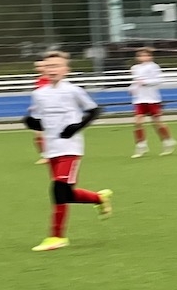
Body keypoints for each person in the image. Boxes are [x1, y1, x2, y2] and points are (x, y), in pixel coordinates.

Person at [23, 52, 113, 252]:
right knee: (66, 193)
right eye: (48, 66)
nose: (52, 69)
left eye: (56, 65)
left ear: (66, 70)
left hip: (70, 148)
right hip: (51, 149)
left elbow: (95, 110)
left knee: (58, 190)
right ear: (43, 70)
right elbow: (38, 119)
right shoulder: (39, 93)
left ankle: (57, 236)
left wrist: (76, 127)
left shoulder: (73, 91)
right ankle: (98, 198)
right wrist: (30, 121)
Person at [129, 48, 176, 158]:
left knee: (157, 123)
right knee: (137, 122)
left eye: (146, 55)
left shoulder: (153, 67)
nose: (143, 57)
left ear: (150, 56)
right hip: (139, 99)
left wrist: (145, 82)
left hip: (152, 99)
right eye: (141, 56)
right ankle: (141, 145)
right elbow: (135, 82)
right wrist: (132, 88)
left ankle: (167, 141)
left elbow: (158, 80)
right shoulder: (135, 68)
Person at [32, 59, 50, 164]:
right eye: (37, 66)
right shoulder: (39, 80)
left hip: (51, 111)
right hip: (40, 111)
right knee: (38, 135)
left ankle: (48, 156)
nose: (38, 68)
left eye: (41, 66)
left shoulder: (52, 79)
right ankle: (45, 155)